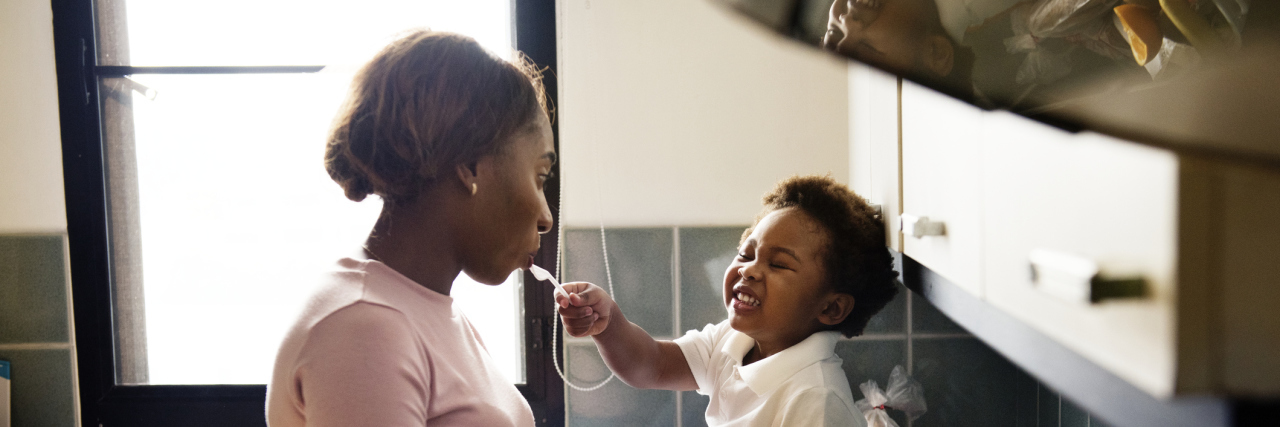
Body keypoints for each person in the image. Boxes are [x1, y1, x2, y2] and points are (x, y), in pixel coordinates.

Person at [266, 30, 555, 426]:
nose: (545, 217)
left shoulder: (421, 309)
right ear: (470, 166)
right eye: (539, 177)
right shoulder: (365, 327)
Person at [556, 175, 899, 426]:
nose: (749, 270)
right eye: (745, 254)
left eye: (778, 264)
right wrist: (609, 322)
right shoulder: (734, 341)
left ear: (830, 307)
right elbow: (653, 364)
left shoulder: (814, 400)